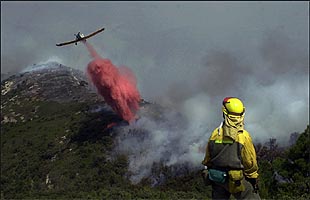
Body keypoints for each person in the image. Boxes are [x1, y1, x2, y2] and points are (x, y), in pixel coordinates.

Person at [201, 97, 260, 200]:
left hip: (217, 178)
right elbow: (250, 162)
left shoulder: (215, 134)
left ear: (224, 112)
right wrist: (253, 178)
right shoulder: (243, 136)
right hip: (236, 180)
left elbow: (207, 159)